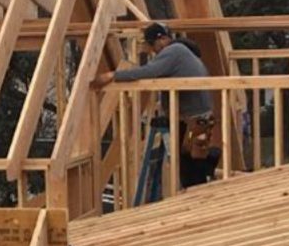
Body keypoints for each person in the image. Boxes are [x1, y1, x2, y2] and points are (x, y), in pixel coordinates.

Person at [91, 23, 222, 189]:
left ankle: (205, 175)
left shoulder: (174, 51)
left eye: (152, 45)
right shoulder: (182, 51)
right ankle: (208, 163)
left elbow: (148, 71)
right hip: (196, 116)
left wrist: (113, 75)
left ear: (161, 39)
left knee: (189, 169)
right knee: (191, 161)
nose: (153, 51)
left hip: (192, 119)